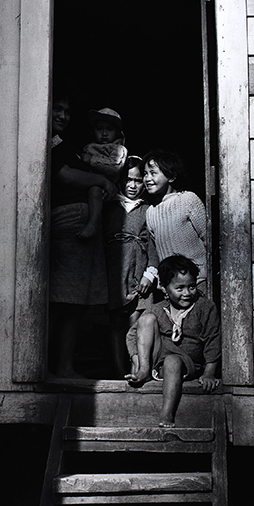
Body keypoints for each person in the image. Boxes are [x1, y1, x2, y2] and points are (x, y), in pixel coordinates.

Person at [48, 92, 119, 379]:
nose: (62, 115)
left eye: (67, 111)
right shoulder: (48, 142)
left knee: (74, 302)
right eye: (57, 108)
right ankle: (56, 366)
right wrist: (100, 180)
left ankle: (63, 366)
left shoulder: (62, 143)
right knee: (64, 299)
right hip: (71, 221)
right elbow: (64, 175)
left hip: (81, 220)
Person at [125, 255, 221, 428]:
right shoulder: (158, 308)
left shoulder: (205, 307)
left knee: (172, 361)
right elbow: (132, 336)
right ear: (164, 288)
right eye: (180, 288)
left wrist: (209, 373)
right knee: (146, 321)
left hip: (187, 363)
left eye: (191, 287)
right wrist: (137, 361)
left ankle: (167, 413)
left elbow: (213, 340)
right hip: (159, 362)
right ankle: (144, 371)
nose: (187, 293)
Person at [102, 156, 158, 376]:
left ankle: (137, 369)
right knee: (116, 324)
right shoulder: (110, 207)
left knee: (135, 325)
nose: (133, 185)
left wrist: (149, 274)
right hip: (115, 275)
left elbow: (153, 245)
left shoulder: (148, 210)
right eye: (128, 180)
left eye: (138, 180)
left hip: (140, 276)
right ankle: (118, 371)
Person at [142, 149, 209, 294]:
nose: (147, 178)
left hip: (197, 281)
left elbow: (208, 239)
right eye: (145, 173)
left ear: (171, 177)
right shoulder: (150, 212)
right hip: (171, 285)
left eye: (153, 173)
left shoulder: (188, 200)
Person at [76, 108, 128, 239]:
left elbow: (115, 166)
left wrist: (91, 160)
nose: (104, 133)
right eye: (99, 129)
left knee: (95, 190)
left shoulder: (118, 149)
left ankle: (92, 224)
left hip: (105, 188)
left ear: (117, 133)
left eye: (110, 129)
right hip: (86, 186)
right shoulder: (89, 147)